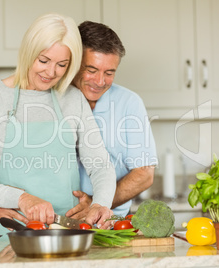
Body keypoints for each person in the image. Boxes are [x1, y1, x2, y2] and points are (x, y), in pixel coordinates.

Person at [0, 13, 116, 241]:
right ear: (28, 52)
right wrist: (22, 198)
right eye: (44, 60)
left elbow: (100, 164)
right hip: (7, 234)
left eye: (62, 65)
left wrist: (101, 203)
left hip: (66, 236)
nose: (51, 73)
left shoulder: (73, 99)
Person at [65, 21, 158, 219]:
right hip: (54, 222)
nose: (100, 82)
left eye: (109, 73)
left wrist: (97, 203)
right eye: (91, 70)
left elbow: (144, 174)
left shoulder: (129, 103)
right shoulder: (54, 97)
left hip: (109, 224)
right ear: (73, 62)